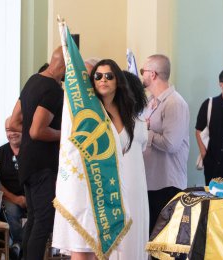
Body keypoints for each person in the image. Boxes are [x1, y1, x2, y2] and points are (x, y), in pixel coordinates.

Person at [52, 59, 149, 259]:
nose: (102, 80)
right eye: (97, 76)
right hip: (89, 188)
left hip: (115, 191)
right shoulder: (89, 112)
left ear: (118, 81)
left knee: (106, 252)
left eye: (108, 76)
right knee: (83, 249)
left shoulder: (129, 115)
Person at [9, 46, 65, 260]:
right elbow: (37, 130)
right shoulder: (53, 89)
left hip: (26, 162)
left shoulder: (33, 80)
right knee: (42, 221)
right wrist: (65, 134)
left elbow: (13, 122)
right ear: (65, 67)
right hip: (43, 164)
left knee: (33, 219)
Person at [141, 54, 190, 234]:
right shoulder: (150, 101)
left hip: (166, 184)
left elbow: (171, 144)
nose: (142, 76)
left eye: (143, 71)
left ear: (152, 74)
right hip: (151, 181)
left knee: (162, 241)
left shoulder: (174, 103)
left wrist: (146, 132)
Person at [0, 117, 26, 257]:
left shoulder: (34, 151)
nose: (12, 133)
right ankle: (19, 245)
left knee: (40, 215)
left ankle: (22, 245)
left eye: (15, 129)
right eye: (8, 130)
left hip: (34, 195)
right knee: (11, 211)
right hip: (10, 197)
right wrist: (16, 199)